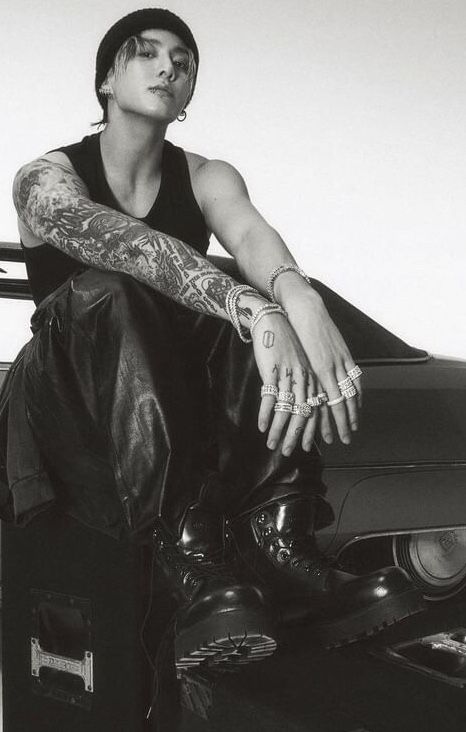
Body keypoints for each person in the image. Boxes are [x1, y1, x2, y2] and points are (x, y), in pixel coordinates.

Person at [10, 8, 423, 674]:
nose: (168, 65)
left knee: (253, 310)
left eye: (183, 59)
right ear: (107, 81)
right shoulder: (44, 178)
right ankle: (183, 554)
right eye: (145, 52)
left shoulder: (206, 175)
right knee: (122, 290)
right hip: (63, 411)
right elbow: (130, 247)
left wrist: (298, 297)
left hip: (159, 405)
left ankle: (276, 538)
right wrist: (254, 308)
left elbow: (252, 238)